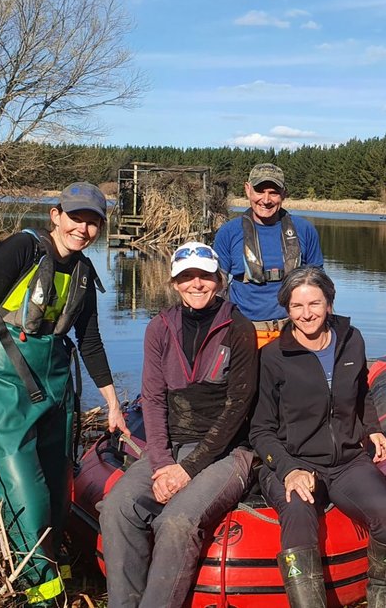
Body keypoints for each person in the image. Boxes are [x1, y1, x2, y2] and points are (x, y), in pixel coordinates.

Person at [0, 182, 127, 606]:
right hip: (4, 386)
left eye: (93, 222)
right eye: (76, 218)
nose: (83, 229)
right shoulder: (20, 249)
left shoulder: (85, 272)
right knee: (25, 498)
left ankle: (62, 575)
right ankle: (43, 595)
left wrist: (112, 402)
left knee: (56, 494)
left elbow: (90, 342)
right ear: (56, 215)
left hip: (55, 390)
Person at [101, 242, 258, 608]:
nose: (197, 284)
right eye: (187, 276)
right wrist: (162, 464)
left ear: (218, 280)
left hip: (227, 450)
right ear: (174, 283)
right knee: (117, 507)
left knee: (177, 522)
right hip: (171, 446)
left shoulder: (239, 328)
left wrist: (186, 470)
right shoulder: (159, 327)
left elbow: (238, 407)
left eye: (205, 275)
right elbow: (153, 401)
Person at [249, 267, 386, 608]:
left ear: (329, 304)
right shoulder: (273, 357)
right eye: (296, 306)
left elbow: (361, 393)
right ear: (287, 310)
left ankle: (379, 594)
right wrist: (289, 469)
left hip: (349, 461)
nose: (306, 314)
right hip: (296, 461)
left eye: (315, 304)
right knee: (298, 511)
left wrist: (374, 427)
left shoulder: (353, 340)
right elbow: (260, 429)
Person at [213, 163, 324, 348]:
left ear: (284, 194)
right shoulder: (228, 232)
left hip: (295, 331)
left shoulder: (305, 230)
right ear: (248, 189)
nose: (266, 200)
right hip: (244, 332)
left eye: (273, 192)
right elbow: (216, 285)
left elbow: (320, 286)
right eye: (259, 191)